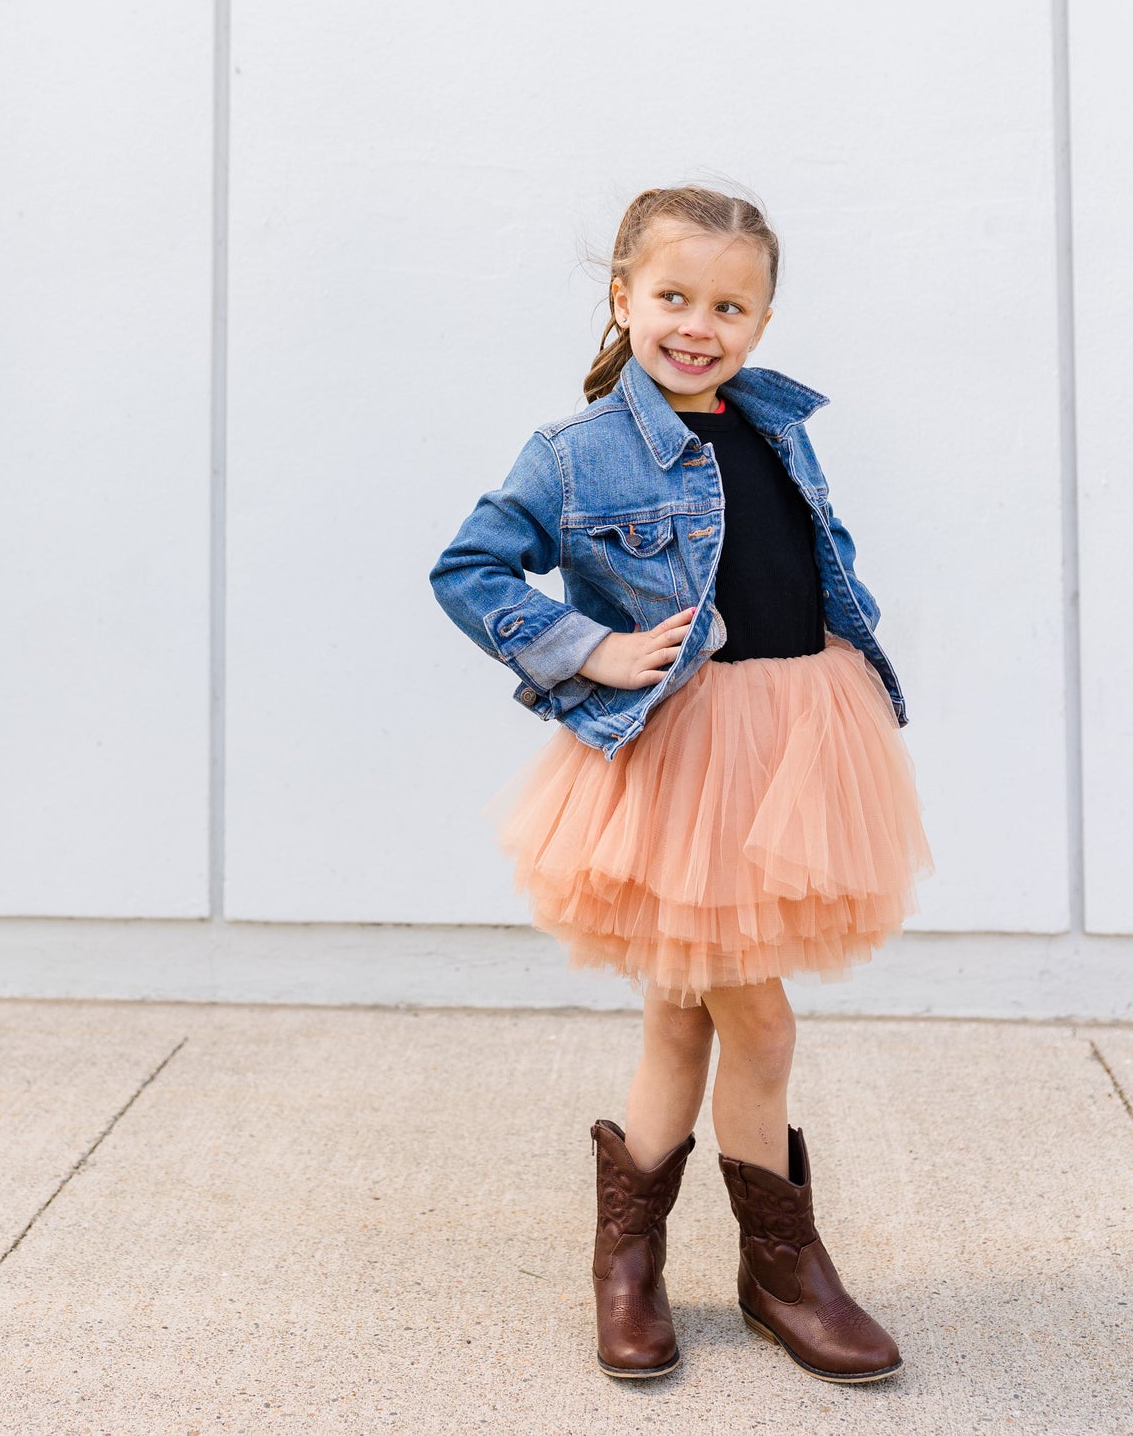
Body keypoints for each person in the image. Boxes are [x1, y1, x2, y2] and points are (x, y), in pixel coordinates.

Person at [428, 184, 934, 1385]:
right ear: (622, 297)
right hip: (680, 753)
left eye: (727, 303)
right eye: (671, 297)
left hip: (795, 740)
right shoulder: (577, 449)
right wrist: (585, 650)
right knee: (751, 1010)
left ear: (759, 319)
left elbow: (808, 550)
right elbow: (467, 566)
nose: (695, 324)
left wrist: (847, 637)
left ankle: (649, 1260)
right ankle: (770, 1263)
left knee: (676, 1008)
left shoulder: (775, 421)